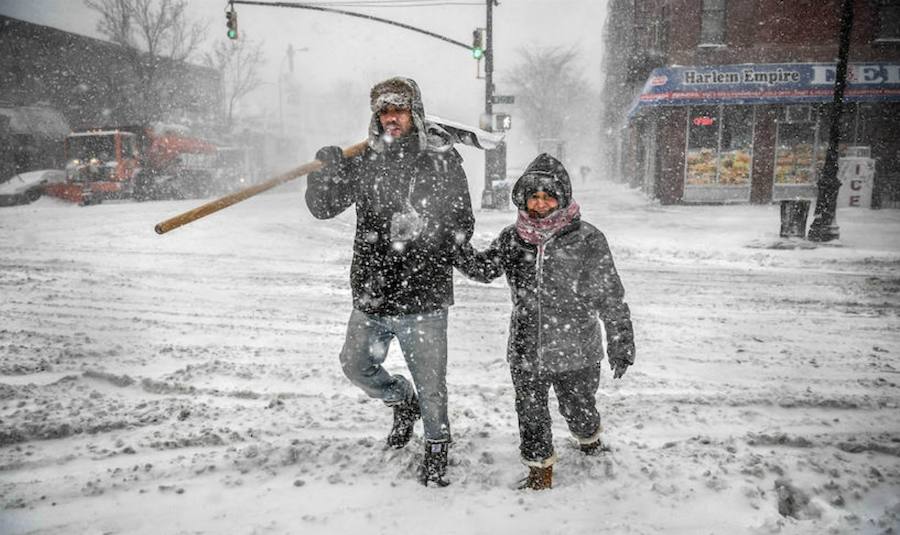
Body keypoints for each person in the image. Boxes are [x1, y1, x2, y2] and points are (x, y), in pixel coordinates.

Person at [305, 77, 474, 487]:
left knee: (433, 388)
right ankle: (401, 401)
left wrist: (427, 227)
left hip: (425, 296)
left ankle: (437, 445)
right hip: (372, 293)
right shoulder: (363, 161)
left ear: (413, 113)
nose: (389, 118)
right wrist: (325, 173)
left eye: (397, 110)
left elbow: (464, 225)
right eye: (382, 112)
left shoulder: (441, 161)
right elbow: (323, 208)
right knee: (355, 365)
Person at [455, 153, 635, 490]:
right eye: (533, 196)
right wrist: (454, 247)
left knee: (579, 409)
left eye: (548, 196)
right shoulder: (513, 238)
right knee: (531, 414)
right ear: (523, 198)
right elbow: (483, 269)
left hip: (577, 350)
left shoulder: (587, 239)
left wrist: (621, 342)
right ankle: (540, 471)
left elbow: (611, 295)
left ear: (562, 198)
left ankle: (588, 439)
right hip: (527, 348)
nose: (540, 204)